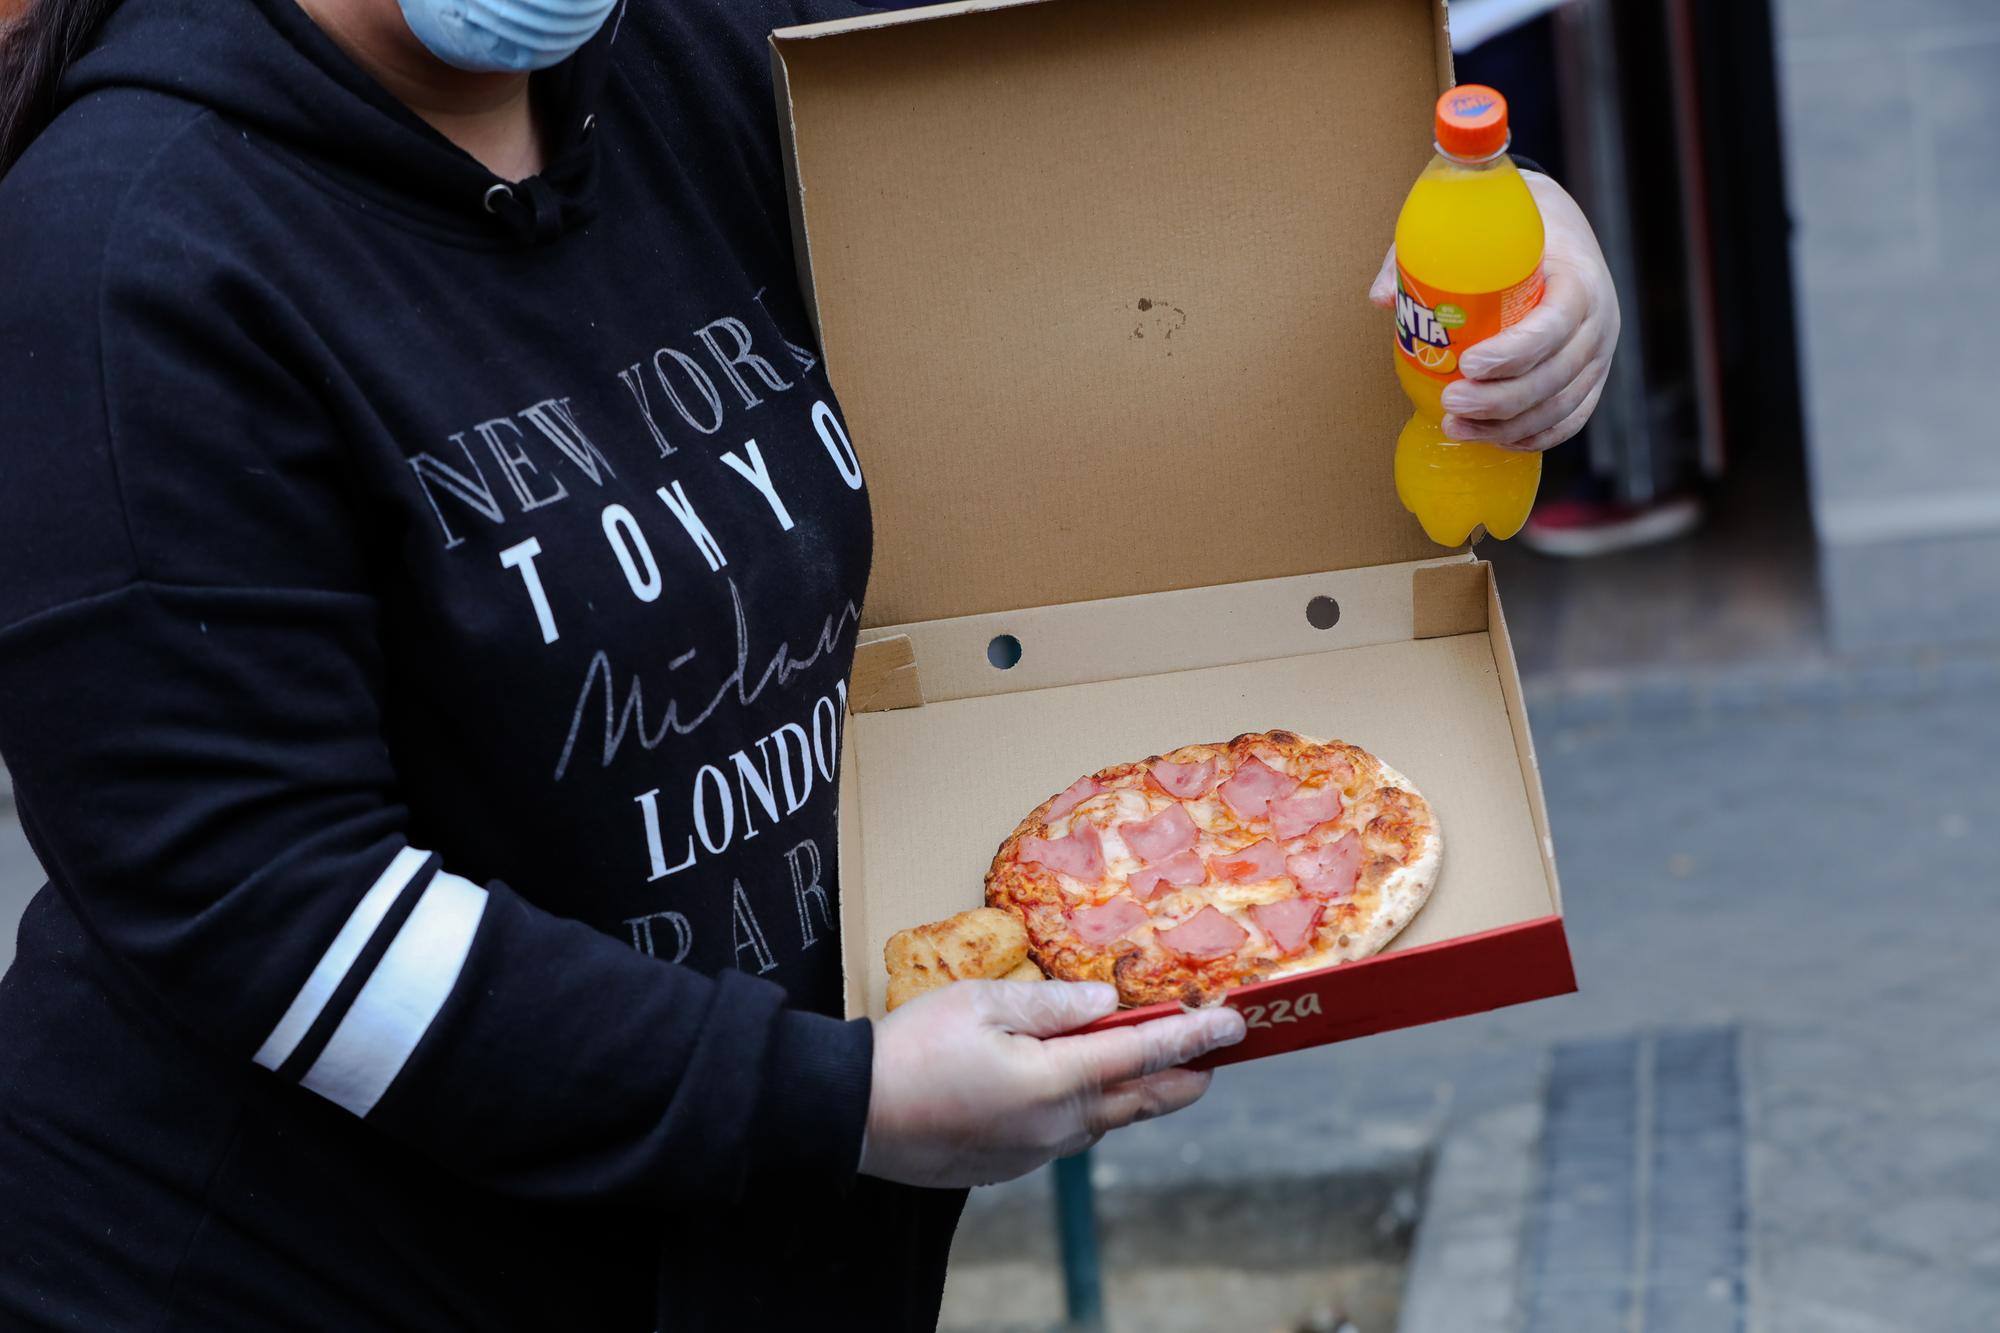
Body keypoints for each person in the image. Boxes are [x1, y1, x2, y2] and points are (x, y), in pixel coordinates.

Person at [0, 1, 1619, 1328]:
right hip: (276, 1278)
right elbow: (269, 909)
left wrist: (1509, 254)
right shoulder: (114, 249)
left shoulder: (695, 55)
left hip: (760, 1246)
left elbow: (1148, 239)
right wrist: (828, 1101)